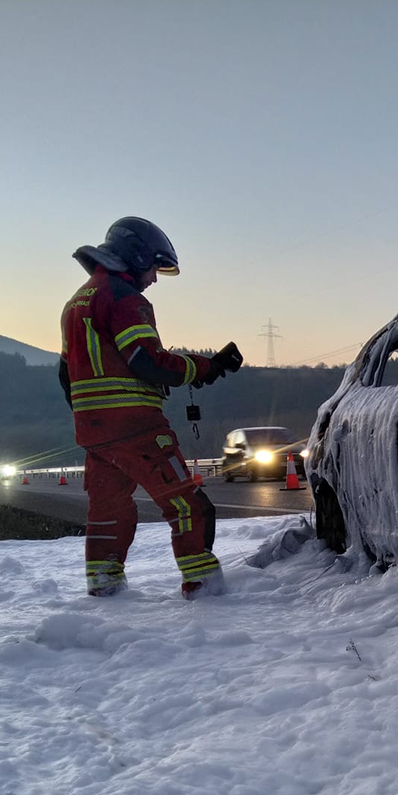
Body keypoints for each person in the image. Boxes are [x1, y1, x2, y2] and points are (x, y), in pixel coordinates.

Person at [57, 216, 244, 598]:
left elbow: (65, 375)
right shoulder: (125, 299)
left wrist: (93, 417)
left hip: (94, 433)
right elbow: (147, 360)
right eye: (152, 268)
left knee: (108, 510)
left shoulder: (76, 301)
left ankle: (105, 592)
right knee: (189, 505)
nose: (154, 279)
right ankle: (205, 590)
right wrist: (203, 367)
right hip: (137, 427)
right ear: (135, 256)